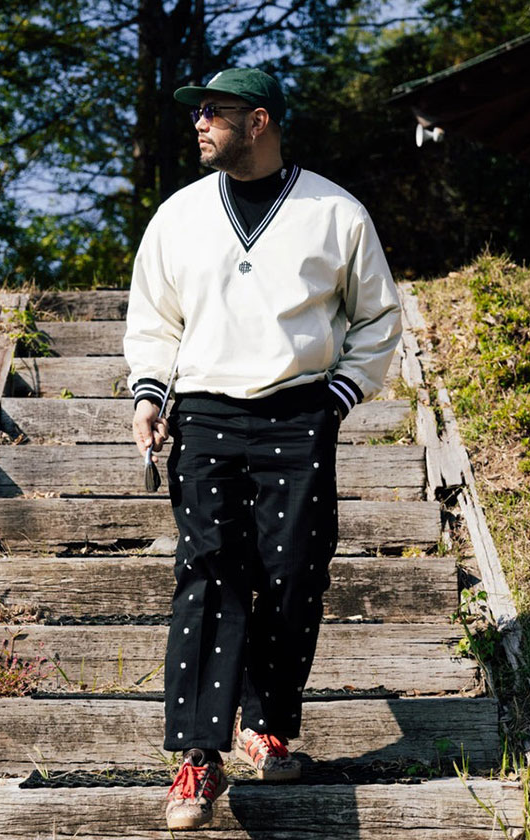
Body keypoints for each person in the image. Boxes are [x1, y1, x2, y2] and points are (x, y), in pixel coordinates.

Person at [123, 67, 402, 831]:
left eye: (213, 112)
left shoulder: (335, 213)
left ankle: (267, 725)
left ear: (260, 121)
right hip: (205, 416)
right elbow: (153, 320)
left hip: (298, 415)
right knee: (209, 575)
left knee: (294, 576)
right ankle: (197, 758)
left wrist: (337, 398)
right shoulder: (178, 216)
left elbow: (378, 318)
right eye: (197, 113)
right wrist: (148, 395)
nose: (199, 123)